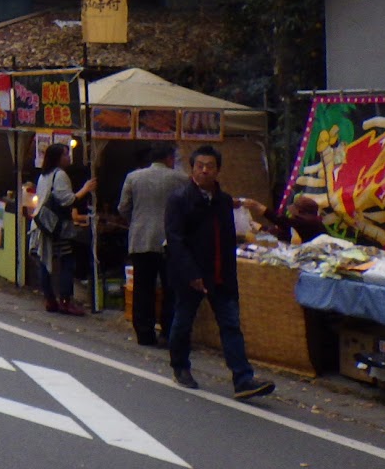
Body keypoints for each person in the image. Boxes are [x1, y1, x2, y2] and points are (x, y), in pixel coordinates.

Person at [165, 144, 277, 400]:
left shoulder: (224, 201)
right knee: (183, 321)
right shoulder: (179, 199)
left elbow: (228, 238)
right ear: (192, 169)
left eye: (210, 166)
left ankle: (243, 378)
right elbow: (175, 240)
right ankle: (180, 367)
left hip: (221, 274)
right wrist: (191, 274)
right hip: (191, 275)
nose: (204, 171)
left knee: (231, 325)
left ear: (217, 170)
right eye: (200, 166)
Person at [117, 142, 188, 346]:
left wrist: (136, 221)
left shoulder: (133, 177)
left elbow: (123, 207)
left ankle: (144, 334)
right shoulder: (181, 179)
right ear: (169, 158)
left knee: (143, 287)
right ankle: (168, 332)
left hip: (141, 238)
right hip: (170, 240)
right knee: (170, 288)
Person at [31, 143, 95, 316]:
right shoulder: (60, 175)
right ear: (58, 158)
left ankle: (49, 299)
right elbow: (67, 200)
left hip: (43, 224)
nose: (69, 158)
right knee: (67, 262)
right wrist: (85, 189)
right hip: (56, 227)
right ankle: (65, 301)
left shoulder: (44, 175)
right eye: (66, 154)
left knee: (45, 261)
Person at [241, 193, 326, 244]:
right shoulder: (307, 224)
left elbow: (281, 221)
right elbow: (283, 233)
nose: (291, 215)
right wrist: (261, 228)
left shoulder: (309, 224)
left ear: (300, 212)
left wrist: (256, 205)